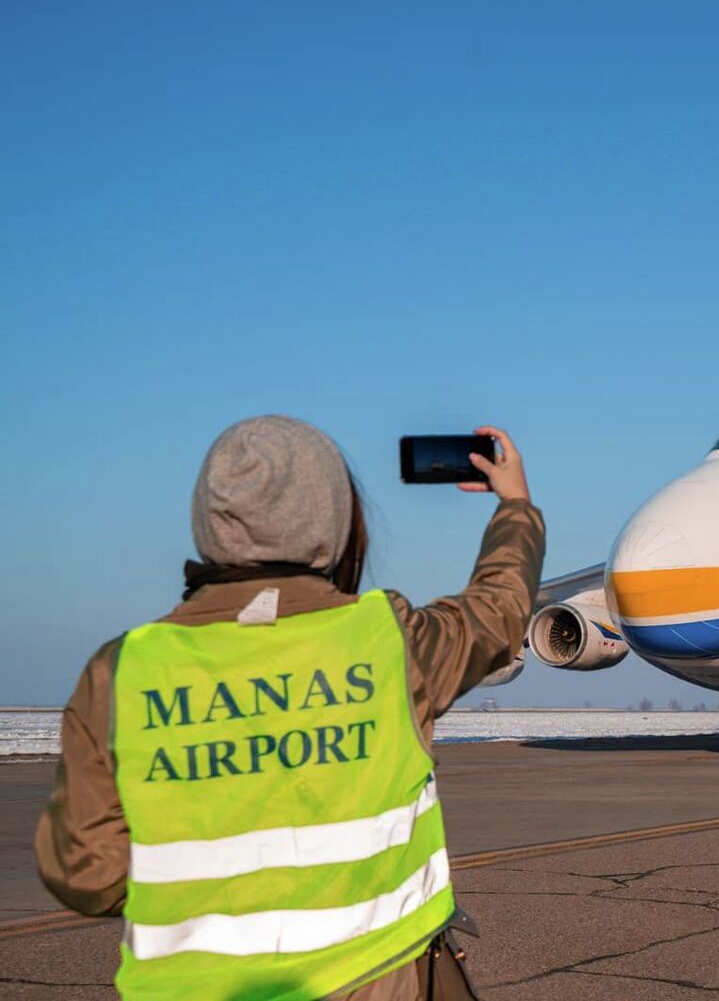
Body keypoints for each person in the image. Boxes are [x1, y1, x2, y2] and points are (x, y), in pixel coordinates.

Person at [35, 416, 544, 1001]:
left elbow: (86, 876)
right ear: (334, 521)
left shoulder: (123, 670)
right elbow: (497, 611)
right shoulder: (387, 641)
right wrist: (516, 507)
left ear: (208, 523)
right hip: (378, 979)